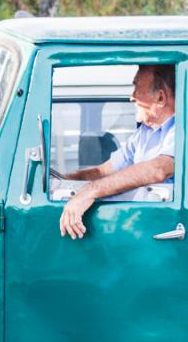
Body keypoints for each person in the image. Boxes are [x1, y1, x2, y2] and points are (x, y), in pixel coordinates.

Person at [59, 64, 176, 239]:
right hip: (140, 225)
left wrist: (90, 192)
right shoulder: (144, 133)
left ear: (160, 98)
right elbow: (103, 171)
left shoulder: (180, 130)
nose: (132, 97)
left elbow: (158, 169)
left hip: (162, 227)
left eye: (137, 89)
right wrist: (64, 180)